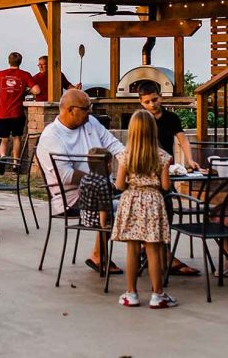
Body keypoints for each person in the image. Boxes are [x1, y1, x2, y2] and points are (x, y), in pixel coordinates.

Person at [36, 89, 125, 273]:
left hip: (102, 191)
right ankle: (101, 254)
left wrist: (129, 159)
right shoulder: (51, 136)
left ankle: (144, 251)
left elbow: (113, 144)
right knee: (130, 205)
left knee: (144, 198)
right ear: (70, 110)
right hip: (71, 198)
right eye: (86, 108)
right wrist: (100, 182)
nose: (90, 112)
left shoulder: (90, 122)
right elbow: (67, 176)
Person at [111, 110, 176, 308]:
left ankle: (131, 293)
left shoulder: (125, 155)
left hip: (131, 200)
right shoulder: (163, 156)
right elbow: (165, 186)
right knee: (153, 250)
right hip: (153, 201)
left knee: (132, 249)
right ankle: (158, 294)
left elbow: (120, 184)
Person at [137, 79, 201, 277]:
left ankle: (159, 252)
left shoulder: (171, 118)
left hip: (166, 169)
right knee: (151, 212)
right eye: (147, 101)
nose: (151, 104)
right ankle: (154, 252)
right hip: (146, 172)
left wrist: (190, 160)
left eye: (154, 99)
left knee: (167, 210)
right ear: (141, 102)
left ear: (161, 97)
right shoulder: (140, 119)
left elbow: (182, 139)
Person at [0, 52, 40, 166]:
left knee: (4, 139)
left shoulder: (1, 74)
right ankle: (15, 164)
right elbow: (37, 91)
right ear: (20, 62)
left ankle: (3, 157)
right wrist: (27, 90)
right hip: (17, 113)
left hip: (3, 113)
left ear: (9, 61)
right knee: (16, 138)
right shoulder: (25, 75)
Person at [78, 148, 113, 229]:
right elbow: (103, 207)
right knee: (121, 207)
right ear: (108, 165)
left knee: (116, 204)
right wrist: (103, 224)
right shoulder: (103, 183)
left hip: (85, 218)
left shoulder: (84, 178)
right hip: (97, 220)